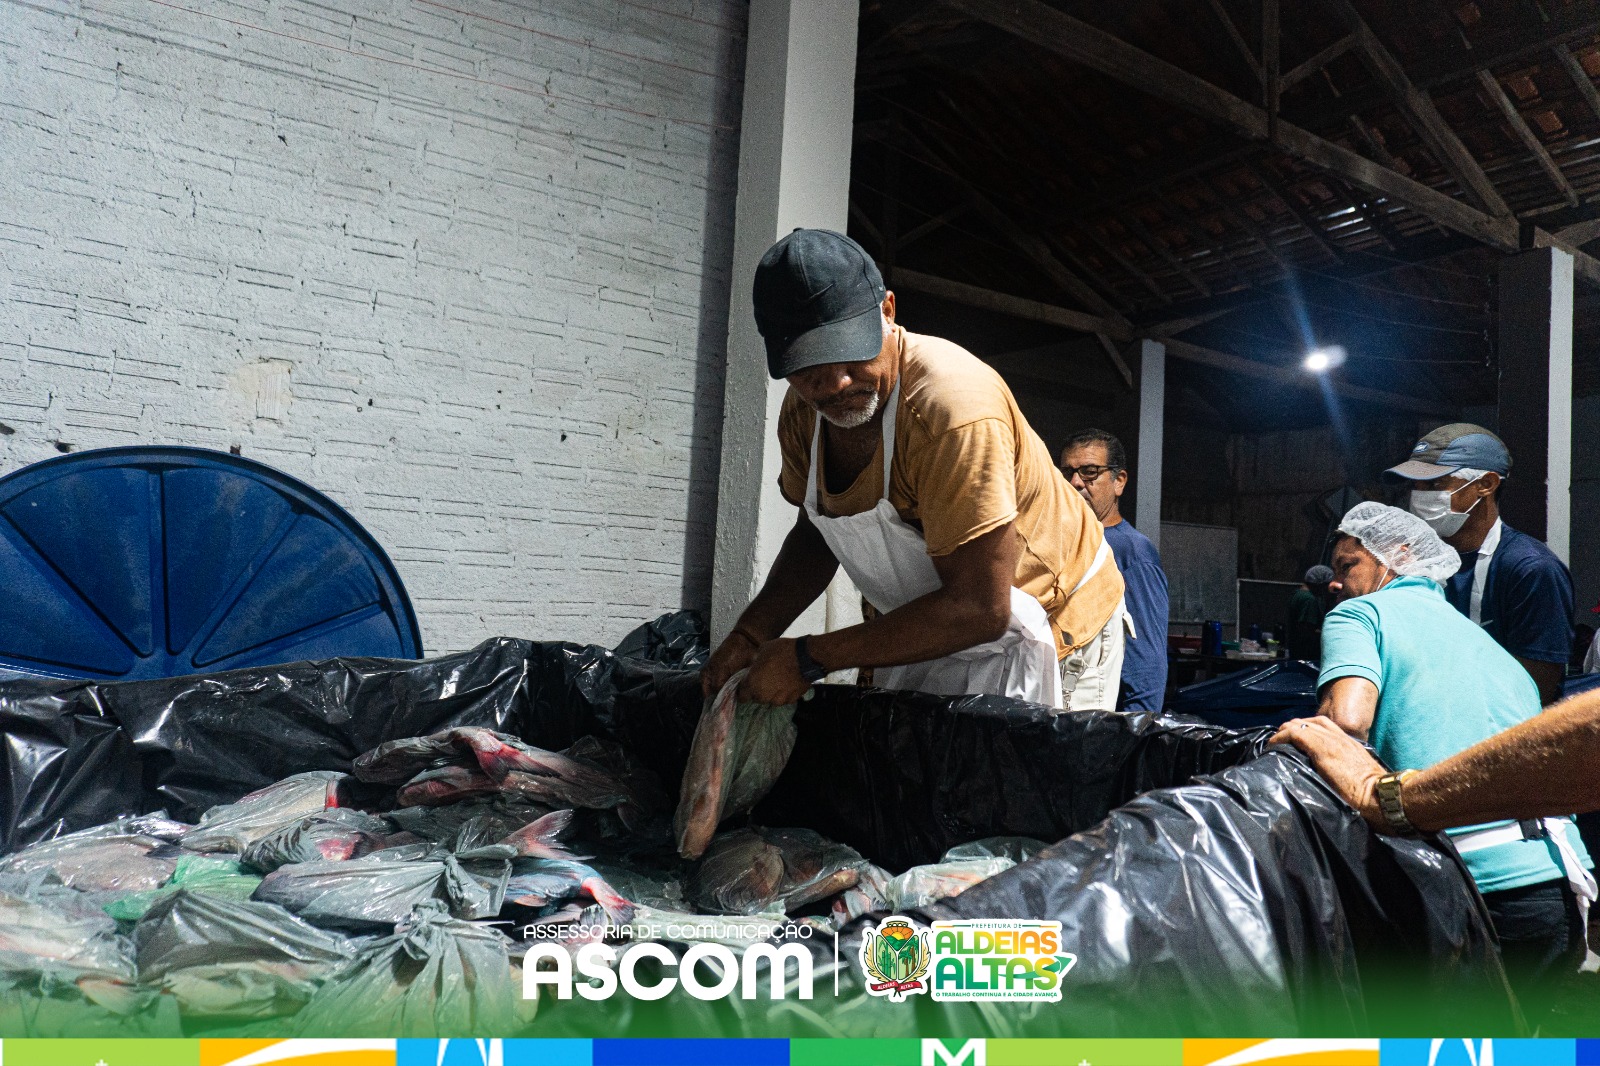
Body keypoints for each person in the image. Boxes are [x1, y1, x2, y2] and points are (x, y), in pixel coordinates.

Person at [702, 229, 1125, 712]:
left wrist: (808, 659)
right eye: (808, 369)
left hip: (1052, 621)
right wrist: (750, 635)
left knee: (1028, 761)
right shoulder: (804, 416)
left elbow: (981, 609)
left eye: (850, 353)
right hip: (943, 621)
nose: (836, 384)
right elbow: (818, 532)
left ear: (888, 311)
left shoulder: (952, 409)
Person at [1311, 501, 1593, 999]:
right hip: (1561, 884)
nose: (1334, 583)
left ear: (1397, 557)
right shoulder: (1487, 645)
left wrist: (1306, 733)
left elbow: (1346, 722)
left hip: (1469, 885)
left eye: (1347, 565)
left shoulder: (1361, 613)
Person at [1384, 423, 1573, 704]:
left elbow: (1535, 691)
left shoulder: (1530, 569)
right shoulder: (1413, 563)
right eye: (1415, 485)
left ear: (1486, 485)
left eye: (1435, 484)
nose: (1419, 496)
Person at [1058, 429, 1168, 713]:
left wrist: (1134, 731)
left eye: (1090, 472)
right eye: (1067, 472)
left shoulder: (1132, 552)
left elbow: (1147, 666)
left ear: (1119, 482)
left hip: (1099, 720)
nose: (1075, 482)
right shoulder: (1062, 542)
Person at [1284, 564, 1332, 662]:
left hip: (1294, 650)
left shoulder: (1297, 594)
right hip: (1306, 654)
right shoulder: (1309, 600)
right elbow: (1307, 629)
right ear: (1320, 584)